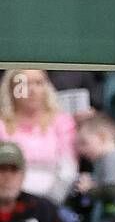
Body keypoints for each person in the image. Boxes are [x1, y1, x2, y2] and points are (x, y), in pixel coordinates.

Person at [0, 68, 78, 206]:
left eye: (39, 83)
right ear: (11, 88)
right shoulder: (1, 124)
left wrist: (49, 202)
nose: (32, 90)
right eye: (24, 84)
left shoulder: (62, 121)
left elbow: (68, 169)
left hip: (53, 200)